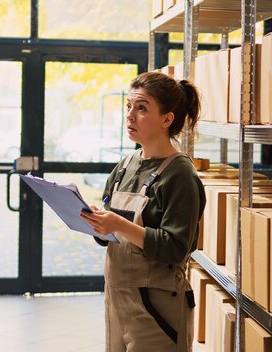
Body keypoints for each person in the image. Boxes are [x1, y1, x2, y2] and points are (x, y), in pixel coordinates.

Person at [80, 71, 206, 352]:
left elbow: (175, 247)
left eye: (142, 108)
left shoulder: (180, 174)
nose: (130, 116)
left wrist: (118, 224)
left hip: (156, 306)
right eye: (128, 106)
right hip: (116, 297)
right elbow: (109, 233)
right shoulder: (125, 165)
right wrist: (97, 222)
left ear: (166, 119)